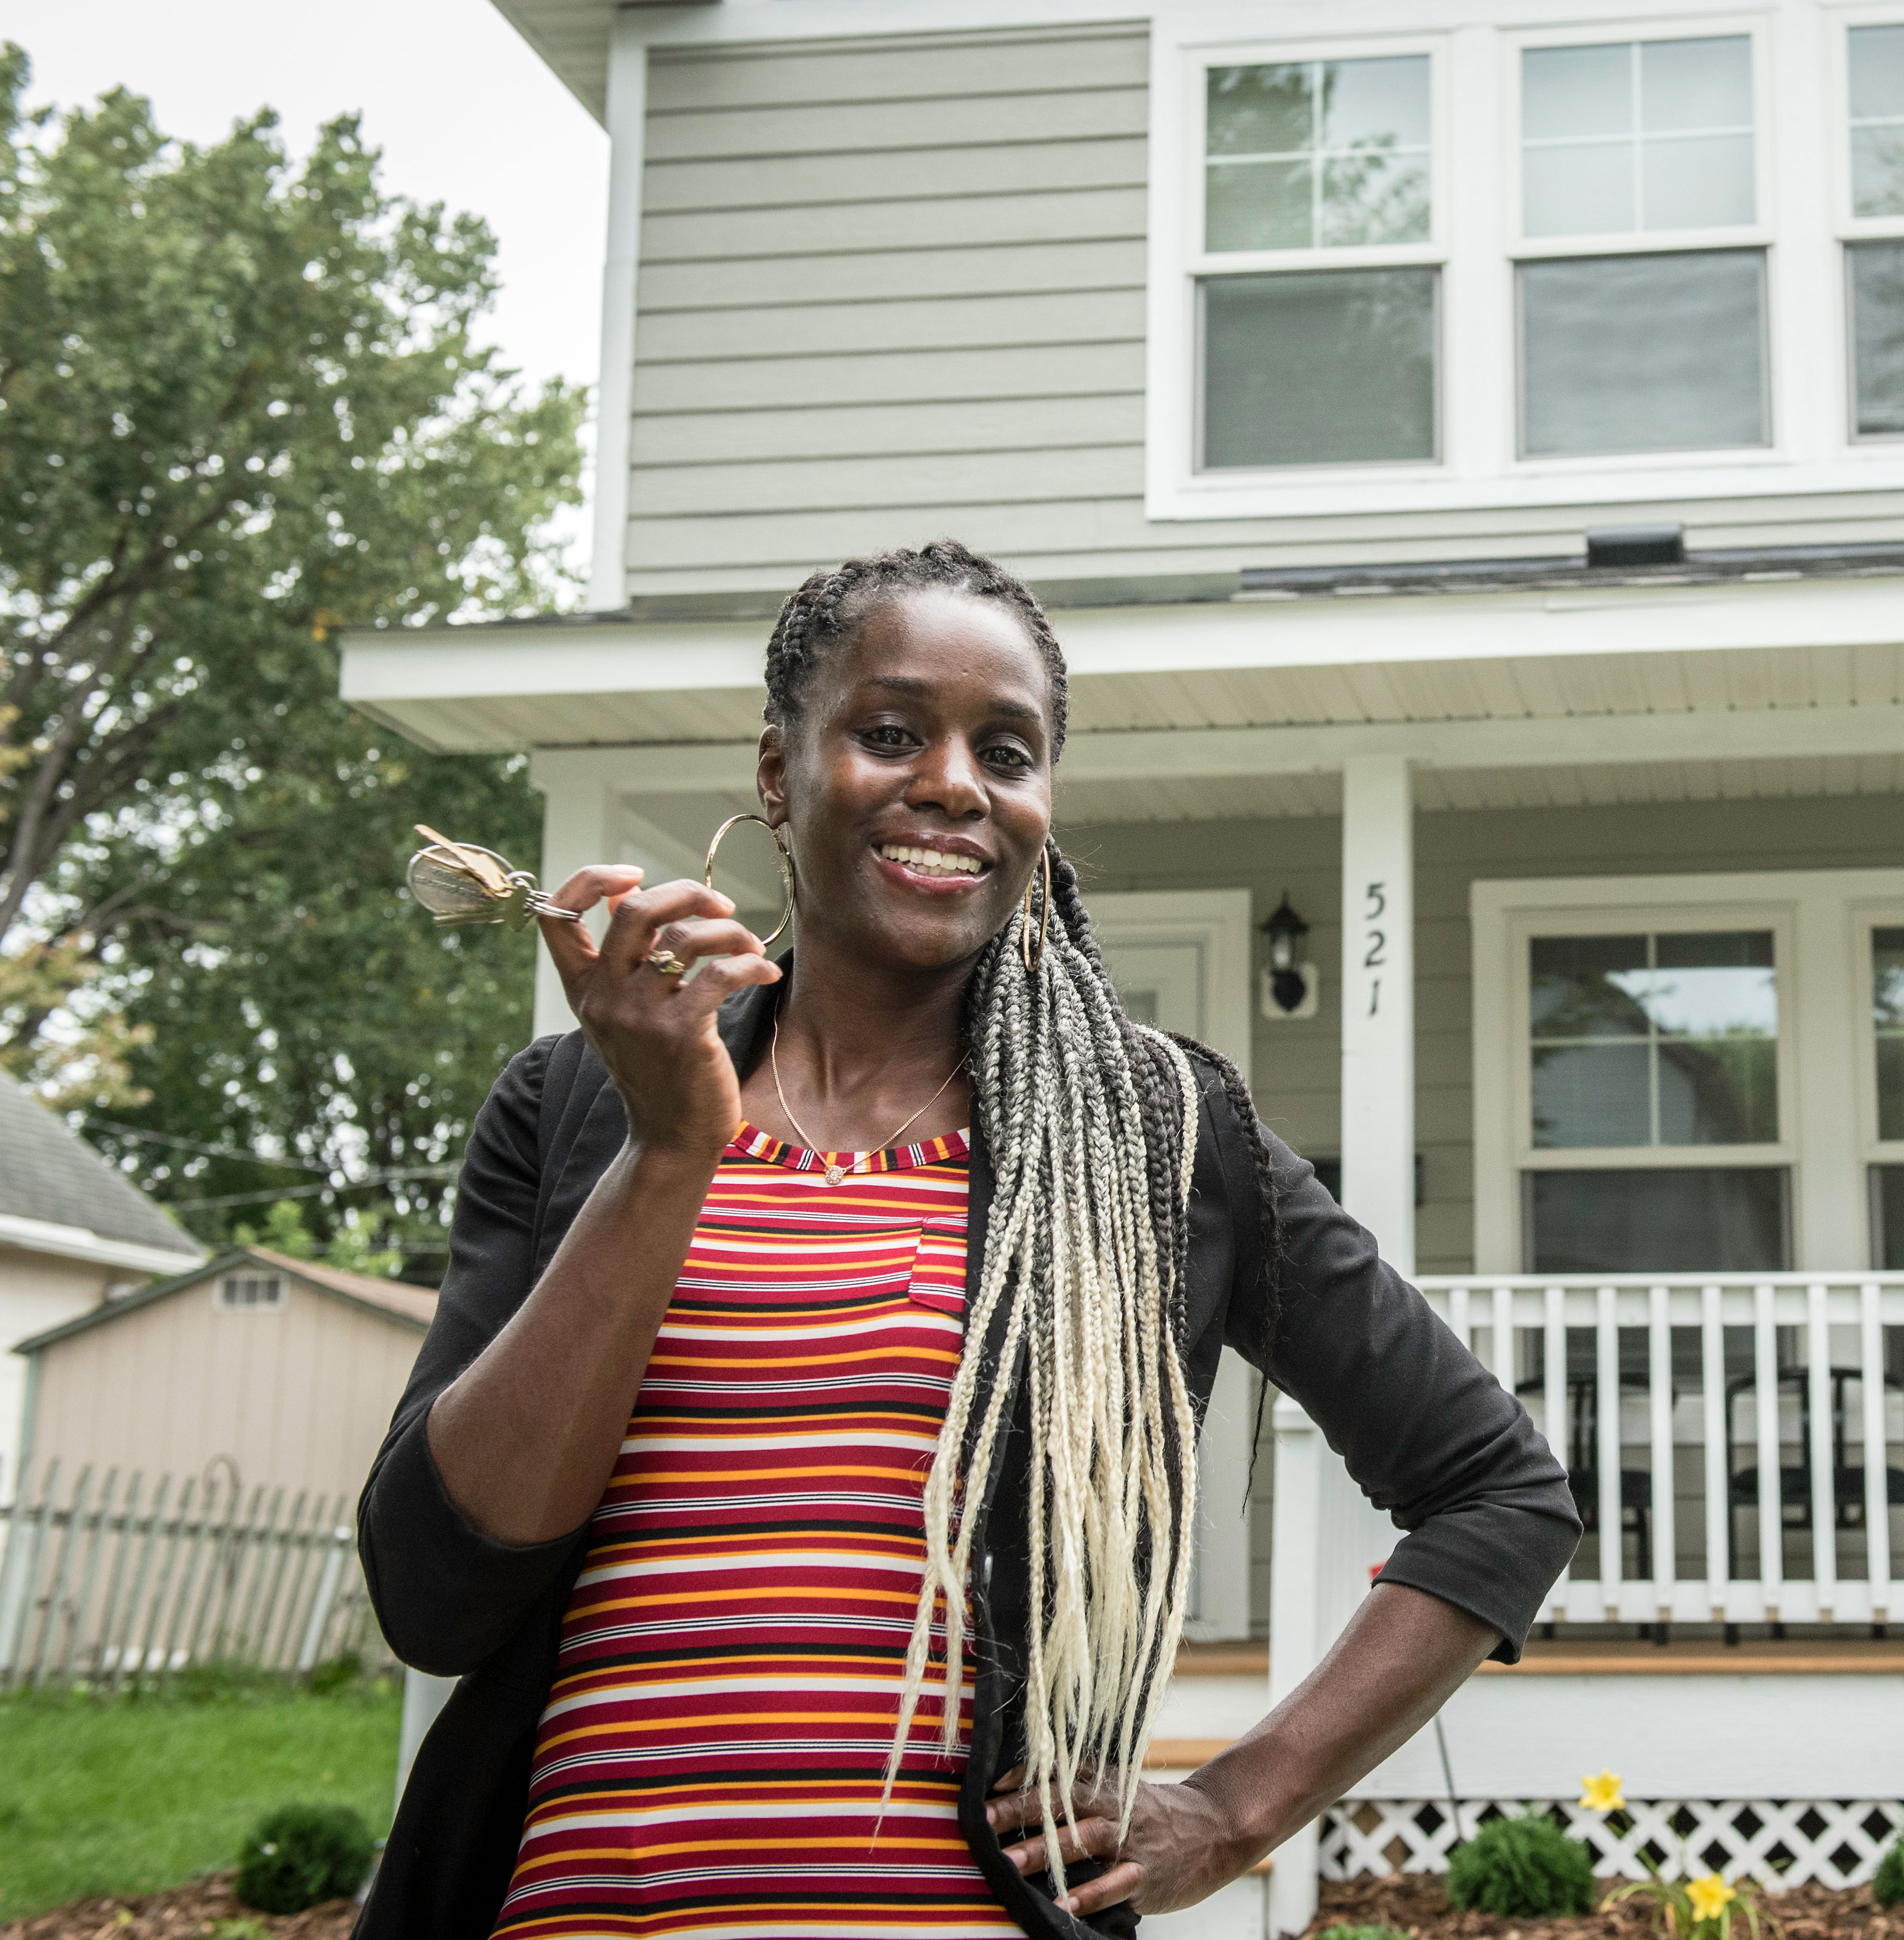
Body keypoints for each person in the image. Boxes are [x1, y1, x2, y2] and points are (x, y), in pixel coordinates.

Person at [357, 541, 1582, 1940]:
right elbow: (437, 1593)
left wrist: (1236, 1808)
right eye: (889, 732)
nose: (952, 781)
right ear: (777, 771)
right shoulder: (577, 1108)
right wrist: (667, 1148)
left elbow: (1498, 1490)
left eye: (1006, 750)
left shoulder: (1153, 1133)